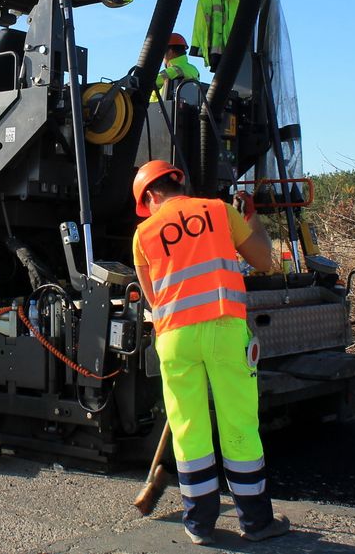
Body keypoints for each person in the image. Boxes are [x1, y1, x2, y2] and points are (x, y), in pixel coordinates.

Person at [130, 160, 289, 545]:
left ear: (150, 195)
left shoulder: (143, 233)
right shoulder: (219, 211)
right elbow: (264, 261)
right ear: (177, 183)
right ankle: (255, 522)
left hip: (174, 339)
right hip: (223, 329)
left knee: (188, 430)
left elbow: (152, 298)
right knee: (238, 425)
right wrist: (252, 221)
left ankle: (199, 525)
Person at [150, 33, 200, 106]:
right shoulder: (192, 69)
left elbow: (152, 81)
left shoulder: (175, 70)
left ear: (170, 52)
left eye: (163, 53)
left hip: (159, 112)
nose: (163, 58)